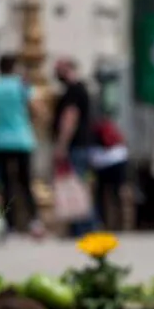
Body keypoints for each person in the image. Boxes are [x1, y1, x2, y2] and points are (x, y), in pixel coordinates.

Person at [0, 54, 44, 238]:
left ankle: (10, 224)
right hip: (22, 138)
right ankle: (33, 221)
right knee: (25, 181)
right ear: (14, 67)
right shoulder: (22, 85)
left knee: (5, 183)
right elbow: (36, 109)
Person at [52, 58, 97, 236]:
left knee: (76, 187)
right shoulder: (81, 88)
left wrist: (61, 145)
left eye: (58, 69)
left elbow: (70, 118)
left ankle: (85, 227)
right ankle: (81, 227)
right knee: (80, 185)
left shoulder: (73, 90)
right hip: (82, 145)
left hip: (75, 145)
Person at [90, 116, 129, 232]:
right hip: (119, 159)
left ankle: (103, 223)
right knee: (117, 194)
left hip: (102, 162)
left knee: (101, 195)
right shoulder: (111, 127)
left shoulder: (93, 128)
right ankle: (122, 223)